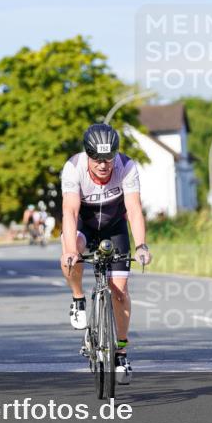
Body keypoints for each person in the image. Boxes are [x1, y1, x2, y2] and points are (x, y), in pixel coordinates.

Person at [59, 123, 151, 385]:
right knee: (71, 251)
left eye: (108, 158)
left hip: (114, 227)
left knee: (120, 291)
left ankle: (120, 353)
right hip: (84, 226)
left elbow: (133, 209)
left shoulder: (127, 166)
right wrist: (68, 251)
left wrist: (142, 245)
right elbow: (70, 211)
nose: (103, 165)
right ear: (88, 154)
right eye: (97, 159)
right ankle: (78, 298)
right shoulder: (73, 168)